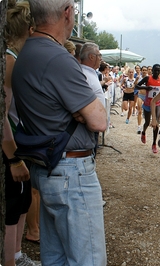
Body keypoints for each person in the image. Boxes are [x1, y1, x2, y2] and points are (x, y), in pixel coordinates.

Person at [12, 0, 107, 265]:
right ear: (67, 12)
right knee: (88, 259)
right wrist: (81, 111)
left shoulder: (27, 52)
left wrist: (78, 111)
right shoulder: (58, 58)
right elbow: (99, 120)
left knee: (55, 257)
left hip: (46, 167)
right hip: (70, 171)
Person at [4, 1, 40, 265]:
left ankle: (15, 255)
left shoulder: (14, 59)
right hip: (11, 148)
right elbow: (1, 114)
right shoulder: (9, 62)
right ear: (29, 29)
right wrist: (13, 158)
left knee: (21, 202)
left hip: (19, 144)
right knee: (12, 209)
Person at [80, 42, 106, 157]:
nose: (101, 58)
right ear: (91, 57)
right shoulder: (83, 74)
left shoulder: (91, 73)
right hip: (87, 125)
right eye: (99, 55)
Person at [136, 64, 160, 154]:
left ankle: (154, 144)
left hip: (157, 104)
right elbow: (137, 86)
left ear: (159, 71)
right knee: (147, 122)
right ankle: (143, 132)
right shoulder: (148, 78)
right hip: (148, 104)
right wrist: (146, 87)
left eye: (158, 71)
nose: (156, 72)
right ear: (152, 71)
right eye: (155, 70)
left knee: (155, 124)